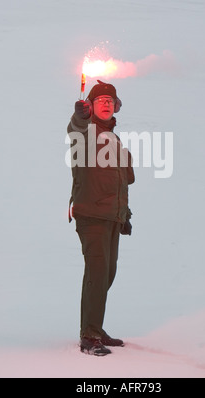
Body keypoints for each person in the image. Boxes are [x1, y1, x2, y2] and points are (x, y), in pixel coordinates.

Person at [67, 80, 135, 356]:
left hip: (111, 217)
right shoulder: (86, 132)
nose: (107, 103)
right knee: (96, 272)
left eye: (111, 100)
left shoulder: (114, 139)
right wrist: (79, 117)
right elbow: (76, 130)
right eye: (101, 100)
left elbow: (120, 182)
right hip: (91, 215)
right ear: (90, 106)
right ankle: (89, 335)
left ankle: (95, 327)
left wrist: (125, 215)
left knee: (107, 273)